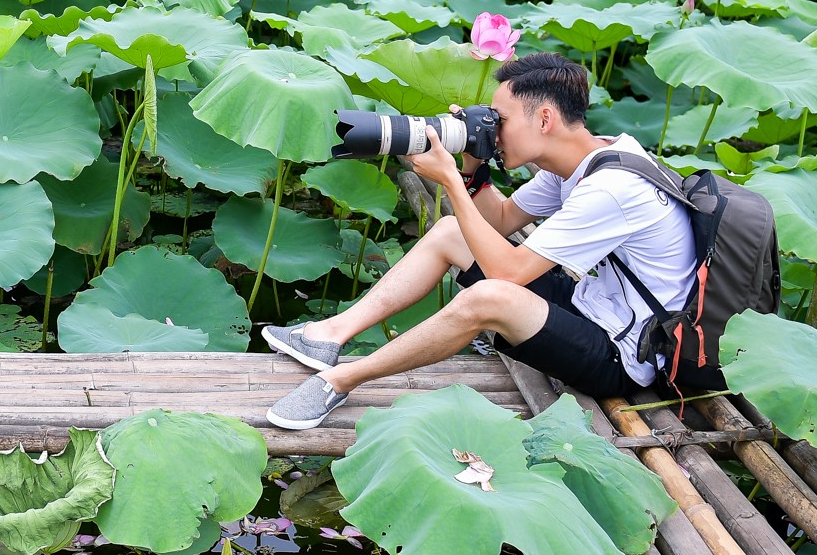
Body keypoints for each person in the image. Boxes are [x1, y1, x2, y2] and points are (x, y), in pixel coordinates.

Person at [261, 53, 695, 429]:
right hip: (592, 308)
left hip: (624, 356)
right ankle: (331, 334)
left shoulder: (613, 188)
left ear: (544, 118)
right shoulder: (590, 158)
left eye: (500, 121)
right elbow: (502, 220)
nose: (494, 129)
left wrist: (448, 179)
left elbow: (507, 275)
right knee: (451, 232)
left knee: (489, 297)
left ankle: (341, 381)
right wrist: (470, 165)